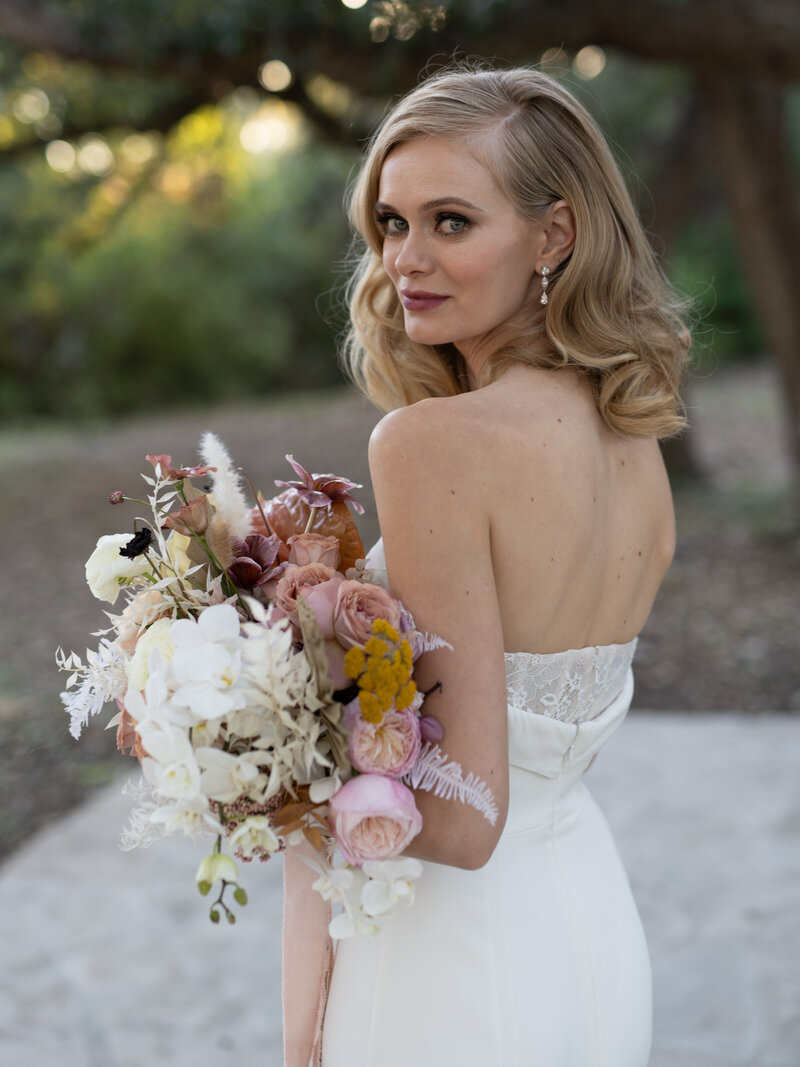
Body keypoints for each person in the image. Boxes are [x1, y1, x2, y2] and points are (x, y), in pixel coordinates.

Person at [321, 63, 688, 1067]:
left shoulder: (428, 444)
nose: (405, 257)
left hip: (455, 955)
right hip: (584, 924)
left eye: (449, 220)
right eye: (391, 223)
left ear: (553, 235)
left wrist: (248, 751)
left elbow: (460, 816)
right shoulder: (632, 442)